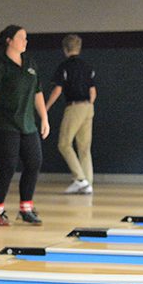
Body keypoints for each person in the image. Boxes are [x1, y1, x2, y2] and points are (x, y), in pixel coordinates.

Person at [0, 25, 50, 226]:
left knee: (34, 162)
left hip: (27, 124)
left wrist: (44, 118)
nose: (25, 41)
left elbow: (38, 93)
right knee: (8, 166)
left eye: (26, 38)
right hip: (3, 124)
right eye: (21, 37)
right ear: (9, 40)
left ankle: (26, 208)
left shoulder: (30, 64)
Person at [45, 34, 96, 194]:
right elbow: (93, 92)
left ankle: (80, 179)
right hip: (88, 106)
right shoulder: (87, 66)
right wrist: (88, 106)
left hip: (74, 107)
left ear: (65, 49)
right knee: (84, 147)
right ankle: (87, 182)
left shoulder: (65, 66)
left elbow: (58, 90)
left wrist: (45, 107)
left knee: (64, 143)